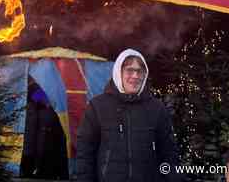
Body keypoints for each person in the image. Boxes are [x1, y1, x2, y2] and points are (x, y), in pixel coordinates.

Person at [76, 48, 180, 182]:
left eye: (140, 71)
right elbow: (85, 155)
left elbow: (169, 153)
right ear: (118, 72)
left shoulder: (157, 109)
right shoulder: (97, 107)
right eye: (129, 70)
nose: (135, 76)